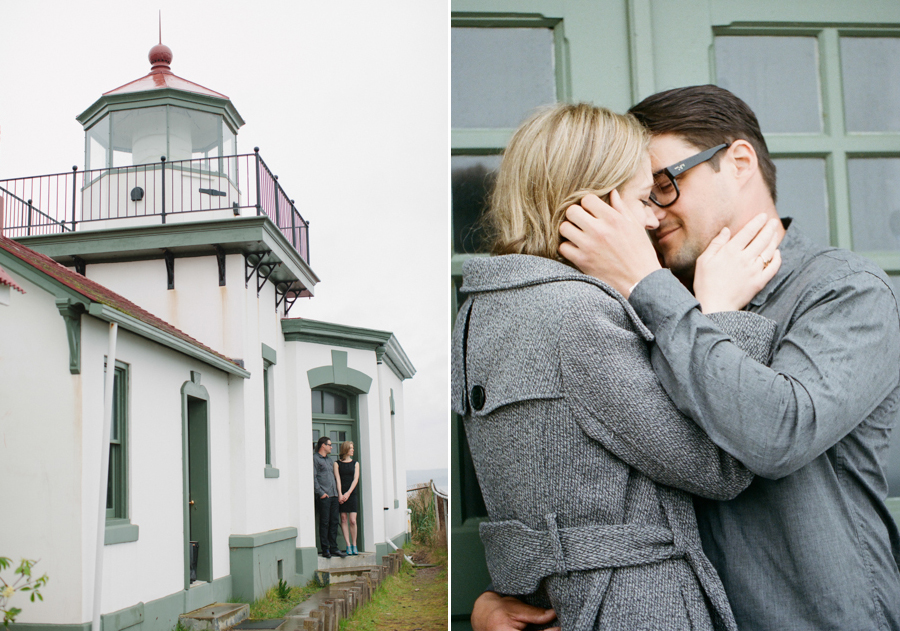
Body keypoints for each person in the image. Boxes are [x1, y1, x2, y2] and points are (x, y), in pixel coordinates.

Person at [477, 85, 900, 631]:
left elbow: (779, 432)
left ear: (739, 161)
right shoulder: (616, 299)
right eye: (641, 195)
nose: (651, 214)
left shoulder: (845, 291)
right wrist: (504, 593)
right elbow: (563, 466)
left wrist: (651, 287)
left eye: (664, 184)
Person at [452, 102, 782, 630]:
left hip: (563, 601)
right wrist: (719, 315)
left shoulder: (481, 311)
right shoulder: (576, 314)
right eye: (642, 198)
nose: (654, 217)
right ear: (591, 206)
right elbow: (719, 466)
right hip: (633, 606)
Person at [313, 436, 347, 559]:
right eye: (329, 445)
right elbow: (314, 477)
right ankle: (325, 549)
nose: (331, 447)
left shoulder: (330, 460)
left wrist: (338, 493)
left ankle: (334, 548)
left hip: (334, 495)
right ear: (323, 445)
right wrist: (320, 493)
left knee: (334, 522)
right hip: (324, 496)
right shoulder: (315, 459)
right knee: (325, 522)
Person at [335, 440, 361, 556]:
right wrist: (340, 494)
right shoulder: (337, 464)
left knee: (353, 520)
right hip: (342, 494)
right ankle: (348, 545)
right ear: (345, 449)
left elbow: (356, 479)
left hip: (351, 494)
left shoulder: (355, 463)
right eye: (351, 448)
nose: (353, 450)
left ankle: (354, 544)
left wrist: (348, 493)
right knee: (344, 519)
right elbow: (338, 479)